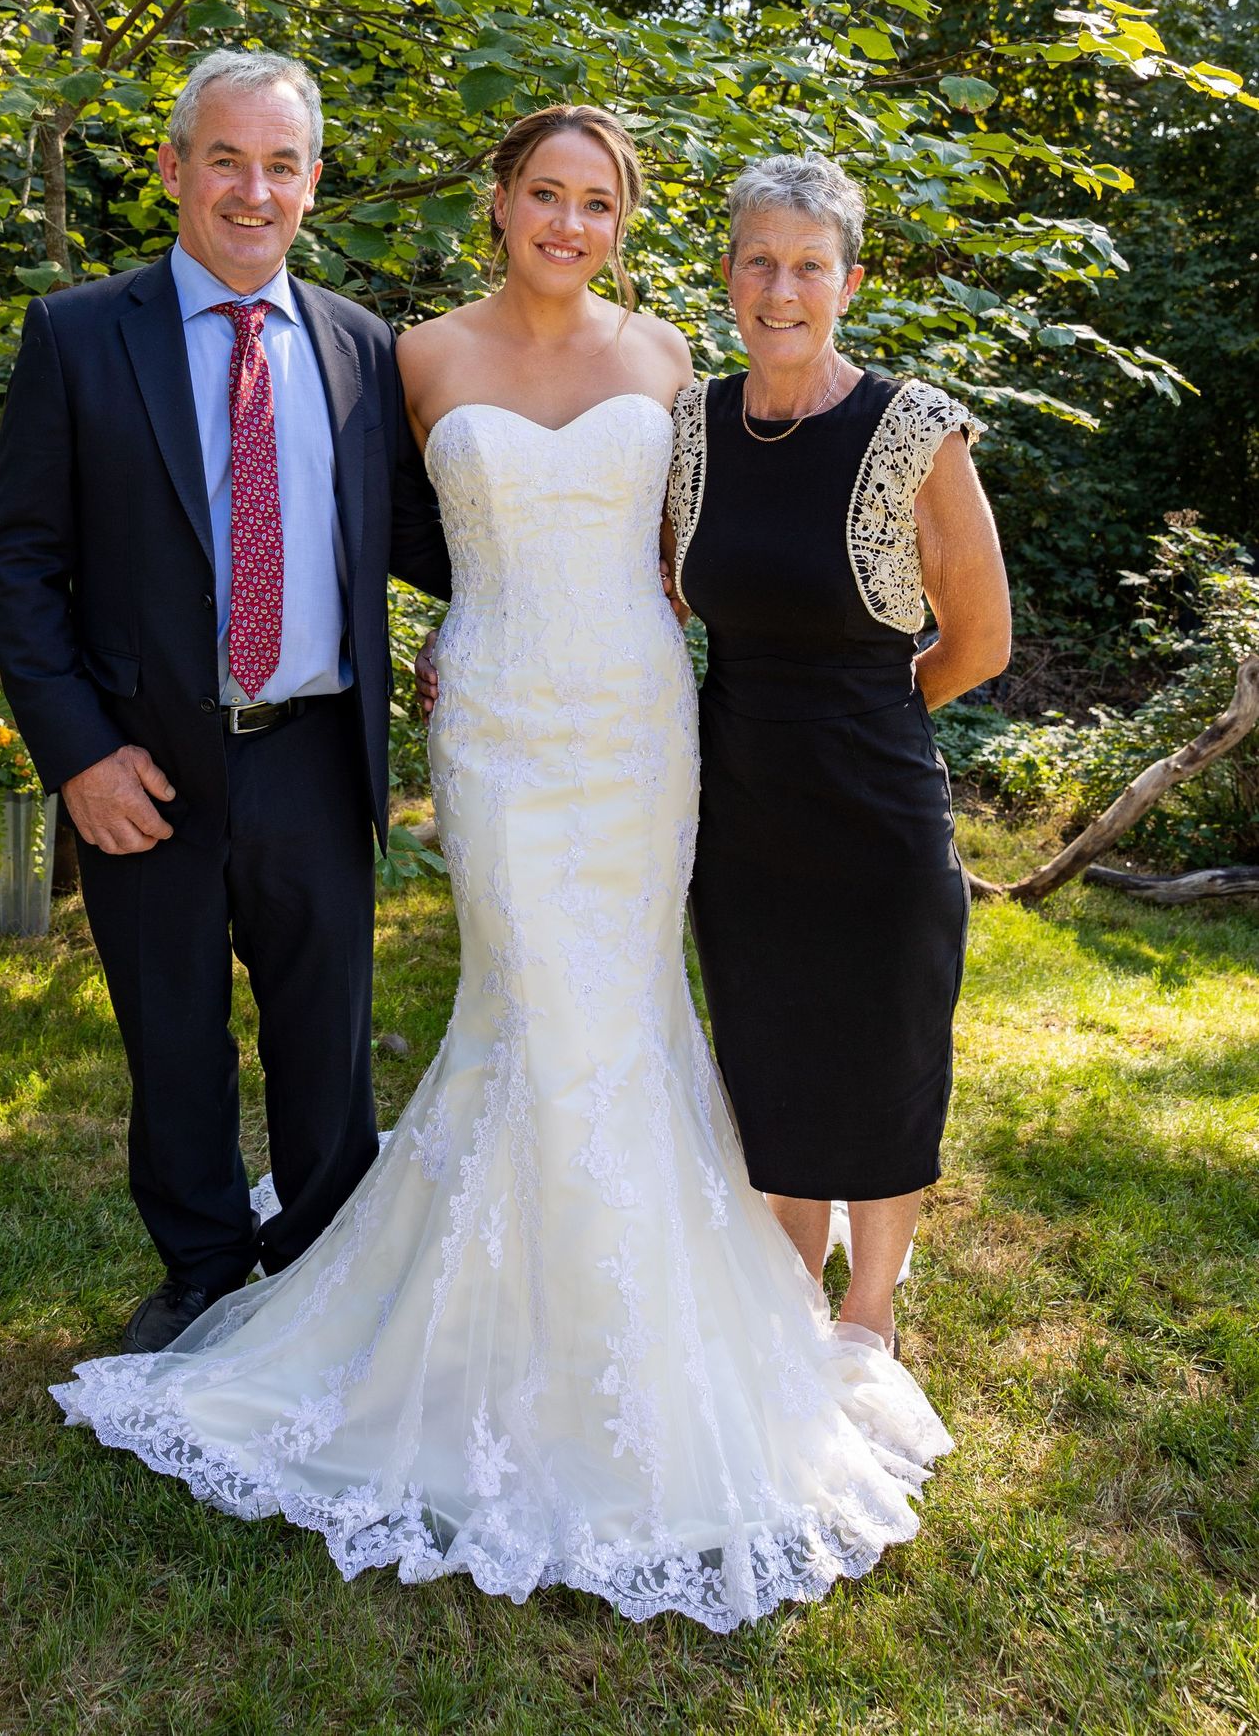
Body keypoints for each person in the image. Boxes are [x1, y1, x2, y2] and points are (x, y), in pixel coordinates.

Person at [50, 106, 951, 1633]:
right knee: (532, 1018)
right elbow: (374, 527)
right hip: (502, 735)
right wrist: (436, 658)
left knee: (625, 1019)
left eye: (598, 202)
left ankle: (648, 1330)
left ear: (625, 223)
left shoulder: (673, 359)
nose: (570, 222)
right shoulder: (410, 357)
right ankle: (483, 1335)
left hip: (635, 726)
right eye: (547, 193)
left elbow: (701, 552)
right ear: (504, 201)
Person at [0, 48, 450, 1353]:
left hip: (312, 750)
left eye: (281, 164)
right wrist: (78, 754)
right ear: (178, 168)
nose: (253, 189)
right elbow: (20, 559)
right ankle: (198, 1266)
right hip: (148, 757)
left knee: (325, 1038)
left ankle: (324, 1262)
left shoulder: (366, 350)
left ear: (314, 183)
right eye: (226, 159)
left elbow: (440, 535)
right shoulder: (79, 335)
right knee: (173, 1035)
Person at [669, 152, 1012, 1354]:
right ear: (727, 274)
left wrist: (868, 706)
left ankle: (869, 1311)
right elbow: (675, 588)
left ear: (848, 283)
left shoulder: (913, 427)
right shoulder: (694, 420)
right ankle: (783, 1282)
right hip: (743, 808)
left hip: (873, 804)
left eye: (809, 265)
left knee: (883, 1051)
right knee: (770, 1049)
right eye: (759, 260)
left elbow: (980, 639)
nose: (781, 288)